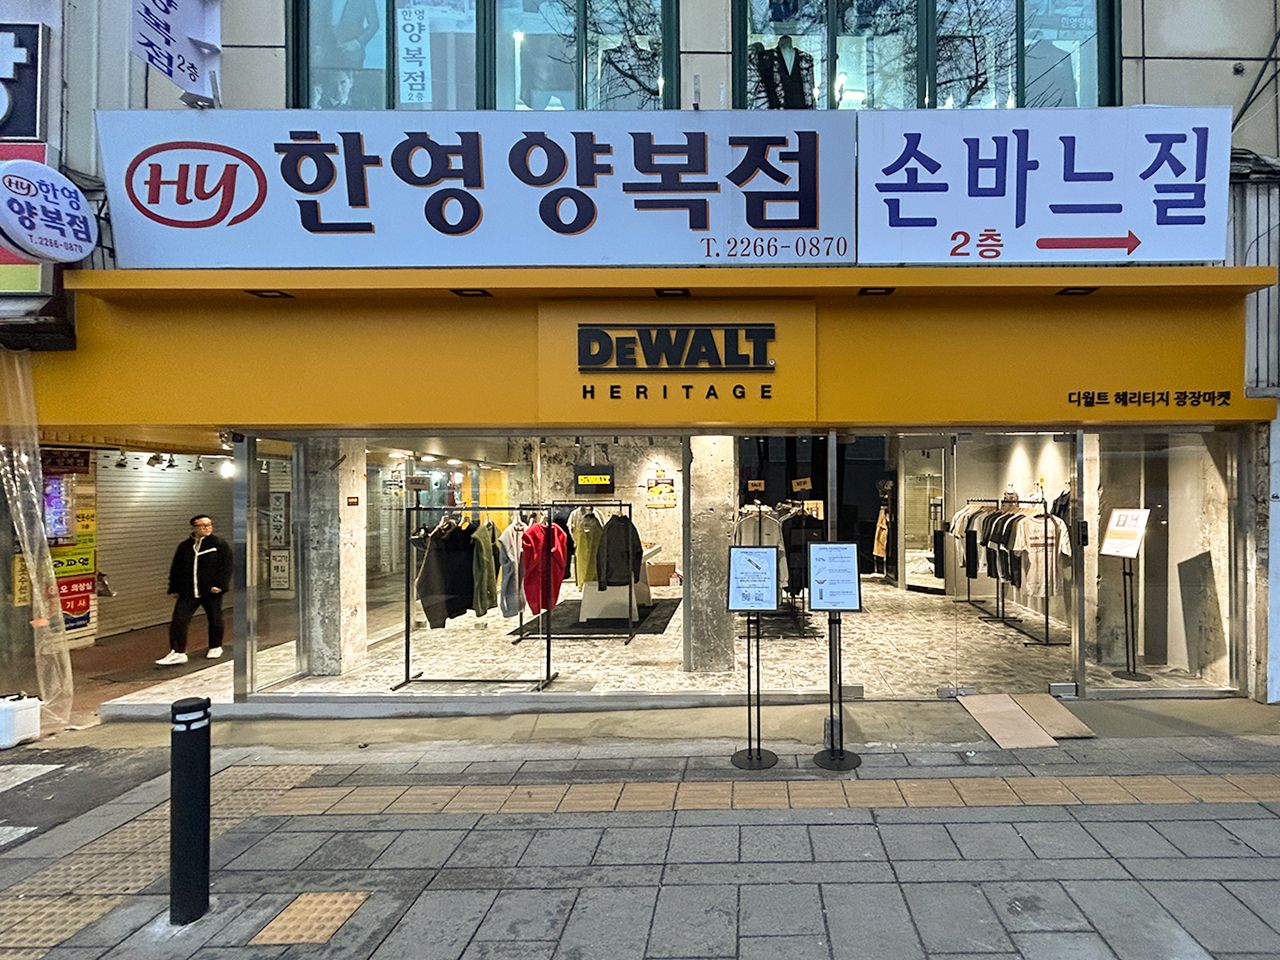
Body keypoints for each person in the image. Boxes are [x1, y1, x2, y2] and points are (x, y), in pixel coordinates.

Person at [157, 514, 233, 666]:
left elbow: (226, 566)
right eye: (202, 525)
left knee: (215, 618)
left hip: (210, 591)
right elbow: (176, 568)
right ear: (194, 528)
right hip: (188, 591)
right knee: (179, 620)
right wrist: (174, 587)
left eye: (209, 525)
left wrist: (220, 585)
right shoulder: (185, 546)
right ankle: (178, 652)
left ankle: (215, 646)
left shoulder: (218, 544)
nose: (207, 528)